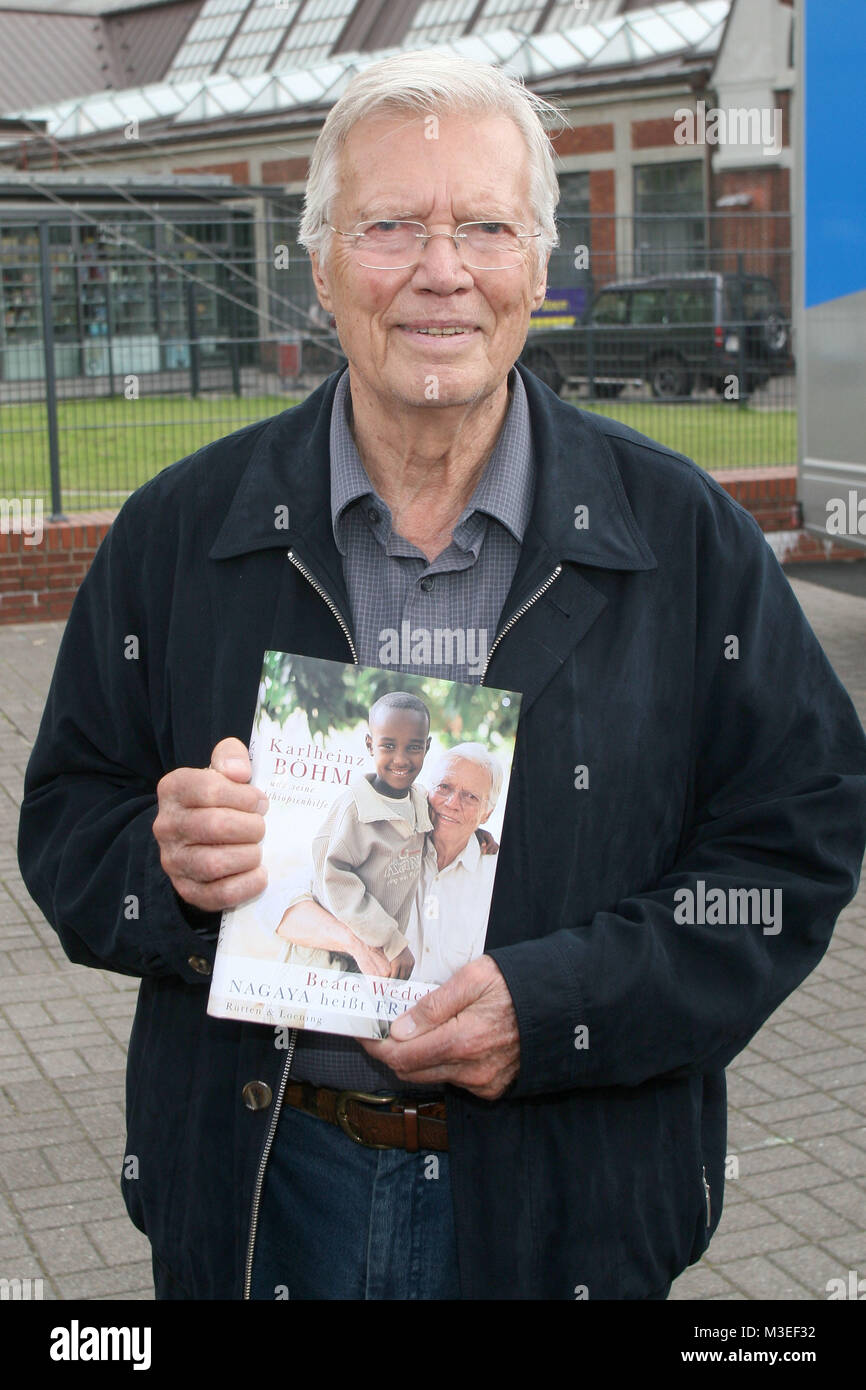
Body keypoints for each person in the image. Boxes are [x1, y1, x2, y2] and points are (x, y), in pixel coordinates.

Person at [17, 49, 866, 1301]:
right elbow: (66, 821)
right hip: (264, 1191)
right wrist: (168, 872)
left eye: (484, 224)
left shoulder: (683, 538)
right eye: (391, 226)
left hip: (566, 1198)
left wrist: (563, 999)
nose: (441, 268)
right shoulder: (177, 532)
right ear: (317, 262)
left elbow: (791, 844)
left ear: (536, 261)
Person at [276, 742, 502, 985]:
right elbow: (278, 905)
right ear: (426, 793)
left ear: (487, 813)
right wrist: (357, 944)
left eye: (470, 797)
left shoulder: (494, 878)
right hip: (368, 1006)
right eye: (444, 787)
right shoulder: (383, 838)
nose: (452, 803)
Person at [274, 691, 433, 980]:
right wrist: (392, 941)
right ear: (370, 745)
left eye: (414, 747)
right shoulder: (353, 810)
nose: (401, 759)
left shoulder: (419, 802)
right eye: (388, 745)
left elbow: (440, 822)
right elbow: (336, 882)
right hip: (326, 956)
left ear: (427, 747)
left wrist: (478, 833)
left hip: (376, 957)